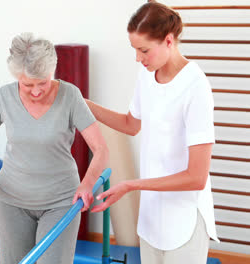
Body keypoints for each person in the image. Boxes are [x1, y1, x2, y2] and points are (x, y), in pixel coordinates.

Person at [0, 32, 108, 264]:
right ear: (16, 76)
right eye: (28, 84)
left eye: (43, 83)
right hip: (11, 201)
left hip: (60, 201)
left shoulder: (70, 96)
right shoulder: (4, 96)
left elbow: (100, 149)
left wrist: (87, 184)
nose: (36, 91)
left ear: (52, 72)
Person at [87, 1, 219, 263]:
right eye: (135, 50)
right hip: (151, 220)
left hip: (184, 221)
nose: (138, 58)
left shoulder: (195, 86)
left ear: (168, 41)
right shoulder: (147, 75)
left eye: (144, 50)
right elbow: (130, 124)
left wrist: (131, 185)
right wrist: (85, 104)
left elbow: (196, 177)